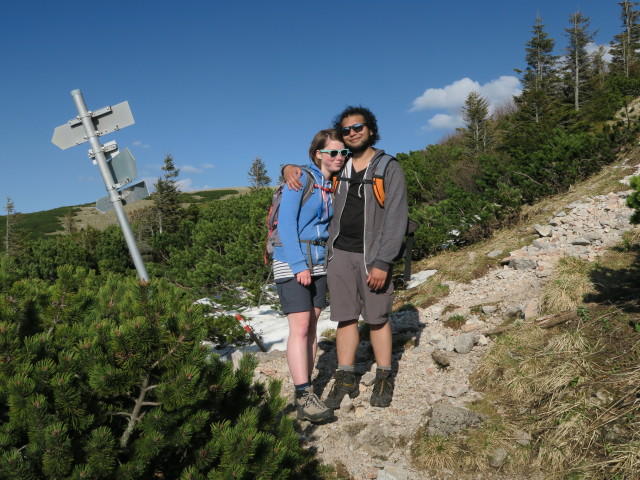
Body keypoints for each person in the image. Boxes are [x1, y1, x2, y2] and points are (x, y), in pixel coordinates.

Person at [284, 106, 408, 408]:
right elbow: (316, 165)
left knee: (377, 318)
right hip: (338, 254)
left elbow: (396, 217)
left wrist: (383, 262)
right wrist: (287, 168)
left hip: (373, 256)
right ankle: (346, 375)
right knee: (345, 317)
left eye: (358, 127)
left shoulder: (388, 168)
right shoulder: (343, 165)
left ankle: (384, 375)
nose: (352, 133)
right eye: (347, 129)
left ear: (370, 129)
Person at [274, 128, 348, 423]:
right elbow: (286, 225)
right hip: (293, 261)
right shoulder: (301, 178)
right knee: (301, 326)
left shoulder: (334, 183)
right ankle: (303, 394)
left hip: (319, 262)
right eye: (332, 152)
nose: (339, 157)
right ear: (319, 154)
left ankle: (308, 388)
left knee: (313, 325)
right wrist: (298, 265)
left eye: (343, 152)